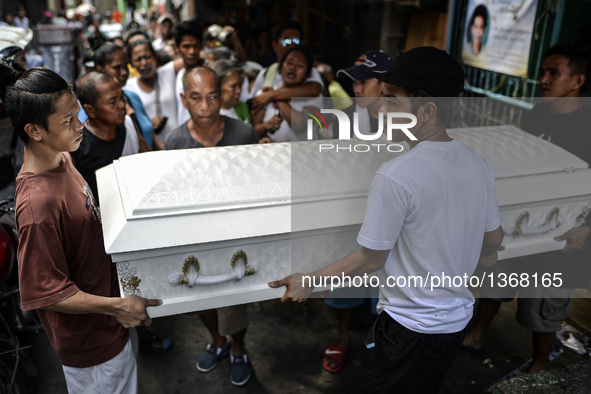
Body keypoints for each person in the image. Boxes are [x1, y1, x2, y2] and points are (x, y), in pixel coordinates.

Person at [269, 46, 504, 393]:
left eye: (392, 100)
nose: (381, 108)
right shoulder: (477, 164)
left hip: (409, 329)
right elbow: (494, 239)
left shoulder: (397, 175)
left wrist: (309, 281)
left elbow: (370, 260)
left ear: (427, 110)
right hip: (455, 324)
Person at [1, 64, 161, 394]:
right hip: (92, 347)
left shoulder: (63, 158)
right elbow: (46, 292)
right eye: (69, 120)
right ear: (34, 131)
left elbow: (85, 219)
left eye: (79, 115)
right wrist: (119, 307)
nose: (80, 127)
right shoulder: (37, 206)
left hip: (112, 321)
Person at [463, 45, 591, 373]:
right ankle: (476, 334)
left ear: (577, 80)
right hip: (521, 222)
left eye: (554, 73)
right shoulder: (536, 114)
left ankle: (538, 363)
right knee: (494, 282)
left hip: (562, 230)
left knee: (545, 304)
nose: (544, 80)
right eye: (543, 72)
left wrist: (586, 228)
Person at [164, 67, 257, 387]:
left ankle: (239, 347)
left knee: (235, 297)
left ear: (222, 97)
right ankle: (219, 341)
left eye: (212, 96)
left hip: (236, 234)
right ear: (183, 100)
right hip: (195, 237)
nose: (205, 105)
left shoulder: (244, 134)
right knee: (201, 293)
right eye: (196, 98)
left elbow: (258, 185)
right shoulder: (175, 142)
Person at [315, 49, 394, 374]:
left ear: (386, 84)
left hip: (392, 219)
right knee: (347, 281)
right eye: (354, 83)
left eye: (365, 81)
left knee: (387, 289)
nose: (357, 88)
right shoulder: (347, 118)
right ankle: (344, 337)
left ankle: (382, 343)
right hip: (353, 213)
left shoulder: (409, 123)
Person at [248, 19, 324, 112]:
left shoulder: (310, 70)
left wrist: (272, 95)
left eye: (297, 41)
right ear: (274, 45)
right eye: (286, 41)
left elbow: (314, 89)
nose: (292, 45)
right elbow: (255, 103)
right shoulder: (266, 74)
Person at [252, 46, 323, 142]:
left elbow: (300, 126)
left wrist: (277, 98)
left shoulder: (314, 97)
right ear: (280, 69)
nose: (293, 68)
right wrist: (266, 126)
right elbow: (254, 132)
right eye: (289, 63)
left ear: (307, 74)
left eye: (300, 65)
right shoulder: (263, 94)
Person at [124, 39, 180, 140]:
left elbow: (190, 59)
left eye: (147, 57)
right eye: (138, 59)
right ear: (131, 64)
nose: (144, 63)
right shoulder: (128, 87)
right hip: (151, 148)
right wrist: (149, 123)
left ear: (155, 57)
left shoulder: (167, 72)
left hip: (177, 142)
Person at [336, 50, 394, 135]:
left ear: (384, 83)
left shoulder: (409, 120)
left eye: (363, 82)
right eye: (355, 82)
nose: (357, 90)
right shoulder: (344, 119)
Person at [172, 19, 205, 126]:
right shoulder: (176, 75)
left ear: (201, 46)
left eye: (195, 46)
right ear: (177, 48)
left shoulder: (209, 75)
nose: (192, 51)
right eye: (186, 46)